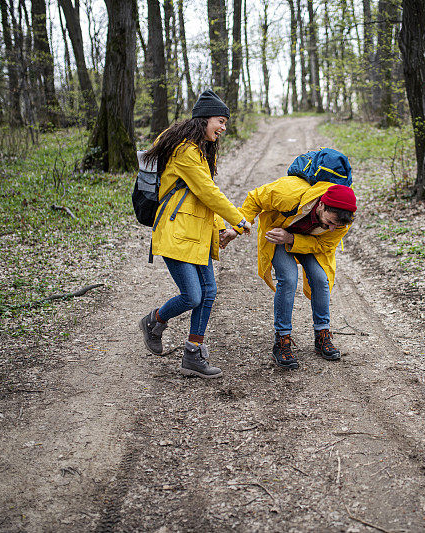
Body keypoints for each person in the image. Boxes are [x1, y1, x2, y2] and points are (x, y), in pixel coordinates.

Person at [139, 89, 252, 379]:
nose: (224, 128)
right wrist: (238, 219)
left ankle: (193, 354)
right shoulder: (185, 151)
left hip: (196, 234)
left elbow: (199, 200)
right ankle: (154, 320)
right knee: (192, 295)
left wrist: (221, 229)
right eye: (220, 121)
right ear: (204, 119)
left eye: (226, 123)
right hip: (175, 233)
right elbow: (207, 191)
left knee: (209, 293)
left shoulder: (200, 152)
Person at [222, 176, 356, 369]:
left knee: (320, 279)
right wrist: (237, 227)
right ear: (322, 205)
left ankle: (322, 334)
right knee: (289, 279)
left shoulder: (342, 220)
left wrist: (292, 238)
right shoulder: (289, 193)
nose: (332, 228)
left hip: (305, 242)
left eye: (337, 225)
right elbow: (255, 198)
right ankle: (282, 340)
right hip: (278, 235)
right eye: (330, 222)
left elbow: (325, 244)